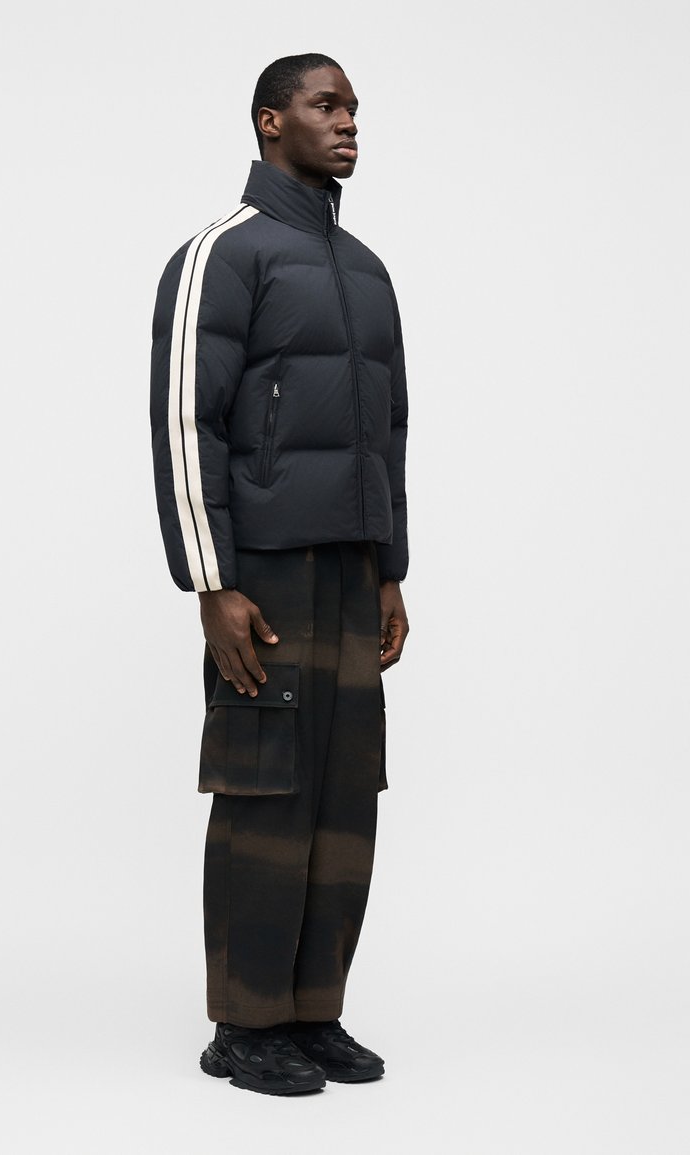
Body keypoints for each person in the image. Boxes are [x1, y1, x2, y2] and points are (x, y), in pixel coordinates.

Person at [149, 52, 410, 1095]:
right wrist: (210, 581)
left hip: (350, 571)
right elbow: (185, 422)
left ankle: (311, 1011)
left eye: (353, 108)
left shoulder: (367, 269)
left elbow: (389, 433)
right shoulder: (223, 252)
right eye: (325, 105)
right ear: (270, 121)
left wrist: (390, 569)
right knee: (264, 788)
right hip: (262, 576)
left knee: (344, 793)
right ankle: (243, 1024)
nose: (347, 123)